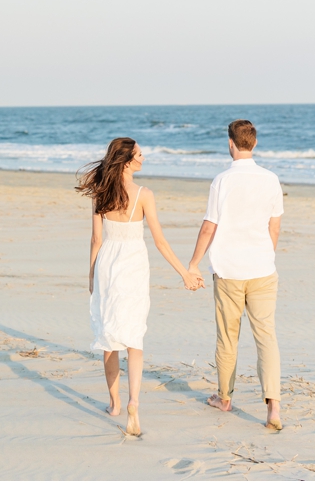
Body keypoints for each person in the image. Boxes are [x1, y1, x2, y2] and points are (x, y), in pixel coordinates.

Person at [77, 137, 204, 437]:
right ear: (128, 160)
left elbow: (96, 240)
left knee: (109, 337)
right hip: (134, 263)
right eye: (140, 154)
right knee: (134, 337)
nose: (144, 158)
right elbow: (160, 242)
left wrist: (91, 275)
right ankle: (134, 401)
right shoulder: (144, 195)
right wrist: (185, 273)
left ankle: (115, 403)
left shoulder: (101, 193)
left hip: (108, 263)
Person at [188, 119, 285, 431]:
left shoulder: (222, 180)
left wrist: (193, 264)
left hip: (229, 270)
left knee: (228, 337)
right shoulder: (271, 179)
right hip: (262, 268)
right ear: (254, 144)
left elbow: (209, 226)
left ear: (231, 143)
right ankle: (273, 408)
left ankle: (225, 397)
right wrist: (265, 254)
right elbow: (275, 226)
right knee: (266, 337)